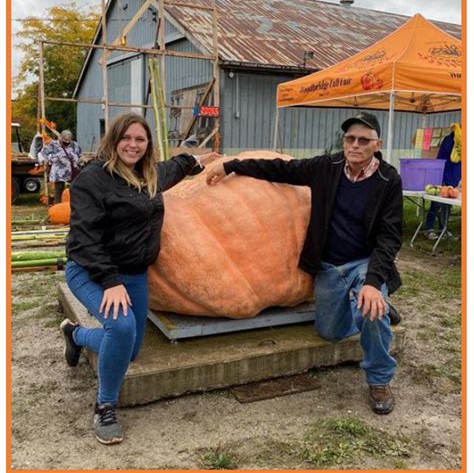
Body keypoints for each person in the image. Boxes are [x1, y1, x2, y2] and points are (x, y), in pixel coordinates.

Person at [206, 111, 403, 415]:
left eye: (364, 140)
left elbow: (389, 238)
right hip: (328, 267)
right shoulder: (327, 166)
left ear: (377, 144)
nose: (355, 145)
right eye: (350, 138)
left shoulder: (388, 180)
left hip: (365, 263)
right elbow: (281, 169)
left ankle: (378, 379)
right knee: (330, 332)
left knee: (372, 314)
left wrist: (374, 284)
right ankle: (373, 306)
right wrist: (230, 165)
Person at [60, 112, 219, 445]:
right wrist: (109, 280)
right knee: (121, 328)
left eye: (140, 139)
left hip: (134, 274)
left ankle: (76, 335)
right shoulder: (93, 179)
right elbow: (82, 239)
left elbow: (174, 168)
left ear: (148, 146)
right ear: (114, 140)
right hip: (93, 271)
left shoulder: (149, 176)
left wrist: (198, 160)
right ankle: (105, 405)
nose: (133, 145)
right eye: (126, 138)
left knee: (129, 350)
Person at [424, 123, 462, 240]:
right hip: (443, 175)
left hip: (454, 177)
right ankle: (429, 228)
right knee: (436, 204)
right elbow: (447, 159)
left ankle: (443, 228)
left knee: (447, 205)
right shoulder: (449, 141)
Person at [43, 129, 82, 204]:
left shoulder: (75, 145)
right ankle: (58, 206)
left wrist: (79, 161)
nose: (67, 142)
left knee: (74, 189)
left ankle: (73, 205)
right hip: (59, 172)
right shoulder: (53, 144)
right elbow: (44, 154)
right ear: (60, 137)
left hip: (72, 171)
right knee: (59, 190)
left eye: (69, 140)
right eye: (65, 140)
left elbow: (79, 155)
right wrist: (54, 158)